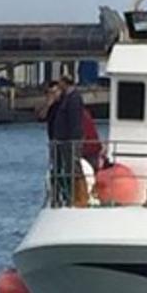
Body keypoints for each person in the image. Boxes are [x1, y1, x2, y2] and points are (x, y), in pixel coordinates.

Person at [50, 74, 85, 206]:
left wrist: (73, 140)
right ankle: (68, 196)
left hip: (69, 141)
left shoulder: (74, 99)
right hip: (62, 141)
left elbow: (74, 121)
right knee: (66, 169)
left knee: (73, 168)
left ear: (66, 83)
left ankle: (79, 197)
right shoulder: (66, 98)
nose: (59, 85)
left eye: (61, 83)